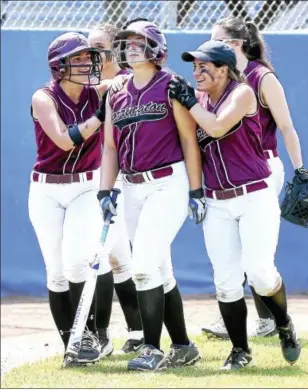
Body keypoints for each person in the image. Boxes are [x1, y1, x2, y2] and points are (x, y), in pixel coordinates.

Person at [168, 39, 301, 369]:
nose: (197, 72)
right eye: (194, 66)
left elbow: (215, 126)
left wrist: (187, 101)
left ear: (224, 70)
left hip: (254, 194)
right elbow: (191, 144)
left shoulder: (242, 93)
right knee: (226, 280)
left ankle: (283, 323)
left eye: (204, 66)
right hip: (217, 201)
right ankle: (240, 350)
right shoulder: (197, 99)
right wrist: (196, 192)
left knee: (259, 273)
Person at [99, 20, 205, 371]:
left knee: (143, 267)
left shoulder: (171, 84)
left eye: (139, 42)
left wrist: (195, 190)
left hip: (167, 182)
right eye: (126, 42)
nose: (130, 47)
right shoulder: (116, 91)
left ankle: (151, 348)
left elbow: (189, 140)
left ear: (156, 48)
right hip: (131, 186)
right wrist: (105, 189)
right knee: (161, 268)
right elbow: (111, 147)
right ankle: (183, 347)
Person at [202, 16, 305, 340]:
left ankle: (269, 318)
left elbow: (286, 126)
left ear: (235, 44)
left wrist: (300, 170)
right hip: (227, 170)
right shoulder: (219, 80)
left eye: (218, 39)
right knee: (234, 253)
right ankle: (242, 312)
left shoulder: (261, 77)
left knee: (254, 252)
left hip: (263, 165)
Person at [29, 32, 121, 366]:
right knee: (55, 272)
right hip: (46, 190)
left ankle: (94, 335)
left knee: (77, 261)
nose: (86, 64)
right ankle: (74, 343)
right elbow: (64, 141)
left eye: (88, 58)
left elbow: (130, 82)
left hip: (85, 184)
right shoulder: (44, 97)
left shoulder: (96, 89)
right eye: (77, 59)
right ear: (59, 66)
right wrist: (98, 116)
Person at [88, 22, 144, 355]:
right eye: (87, 47)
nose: (90, 54)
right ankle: (133, 331)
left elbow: (113, 87)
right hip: (89, 178)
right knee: (116, 257)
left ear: (114, 48)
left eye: (98, 47)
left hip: (118, 178)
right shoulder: (88, 79)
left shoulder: (123, 81)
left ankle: (105, 335)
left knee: (111, 255)